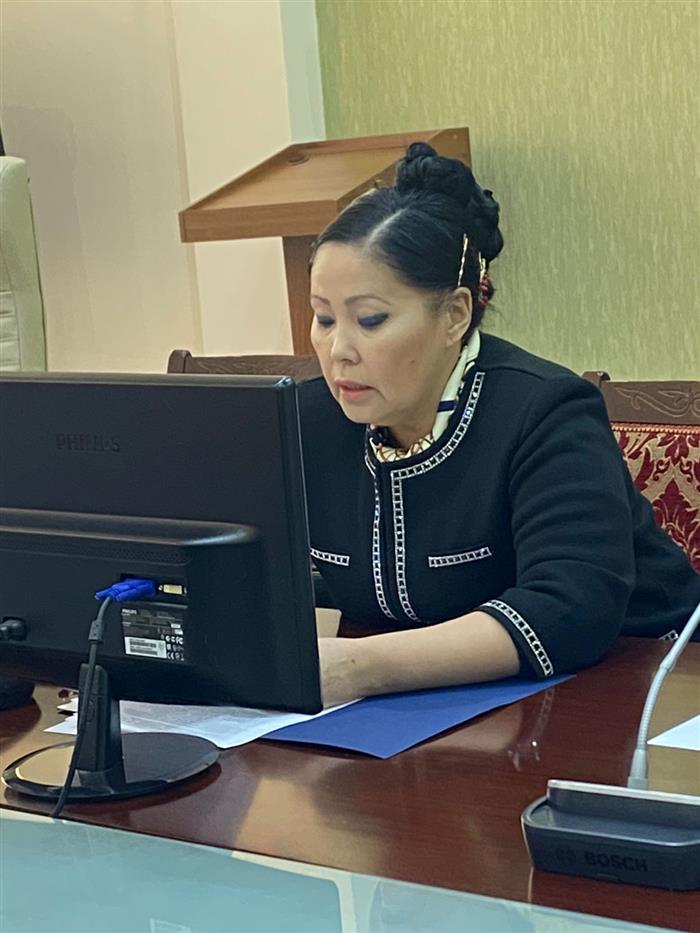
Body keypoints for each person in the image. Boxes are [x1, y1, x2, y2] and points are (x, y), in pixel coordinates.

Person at [298, 142, 700, 707]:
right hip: (434, 705)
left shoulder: (546, 410)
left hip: (636, 689)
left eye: (370, 319)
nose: (338, 349)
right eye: (323, 318)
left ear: (455, 314)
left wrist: (360, 667)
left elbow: (570, 607)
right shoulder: (311, 417)